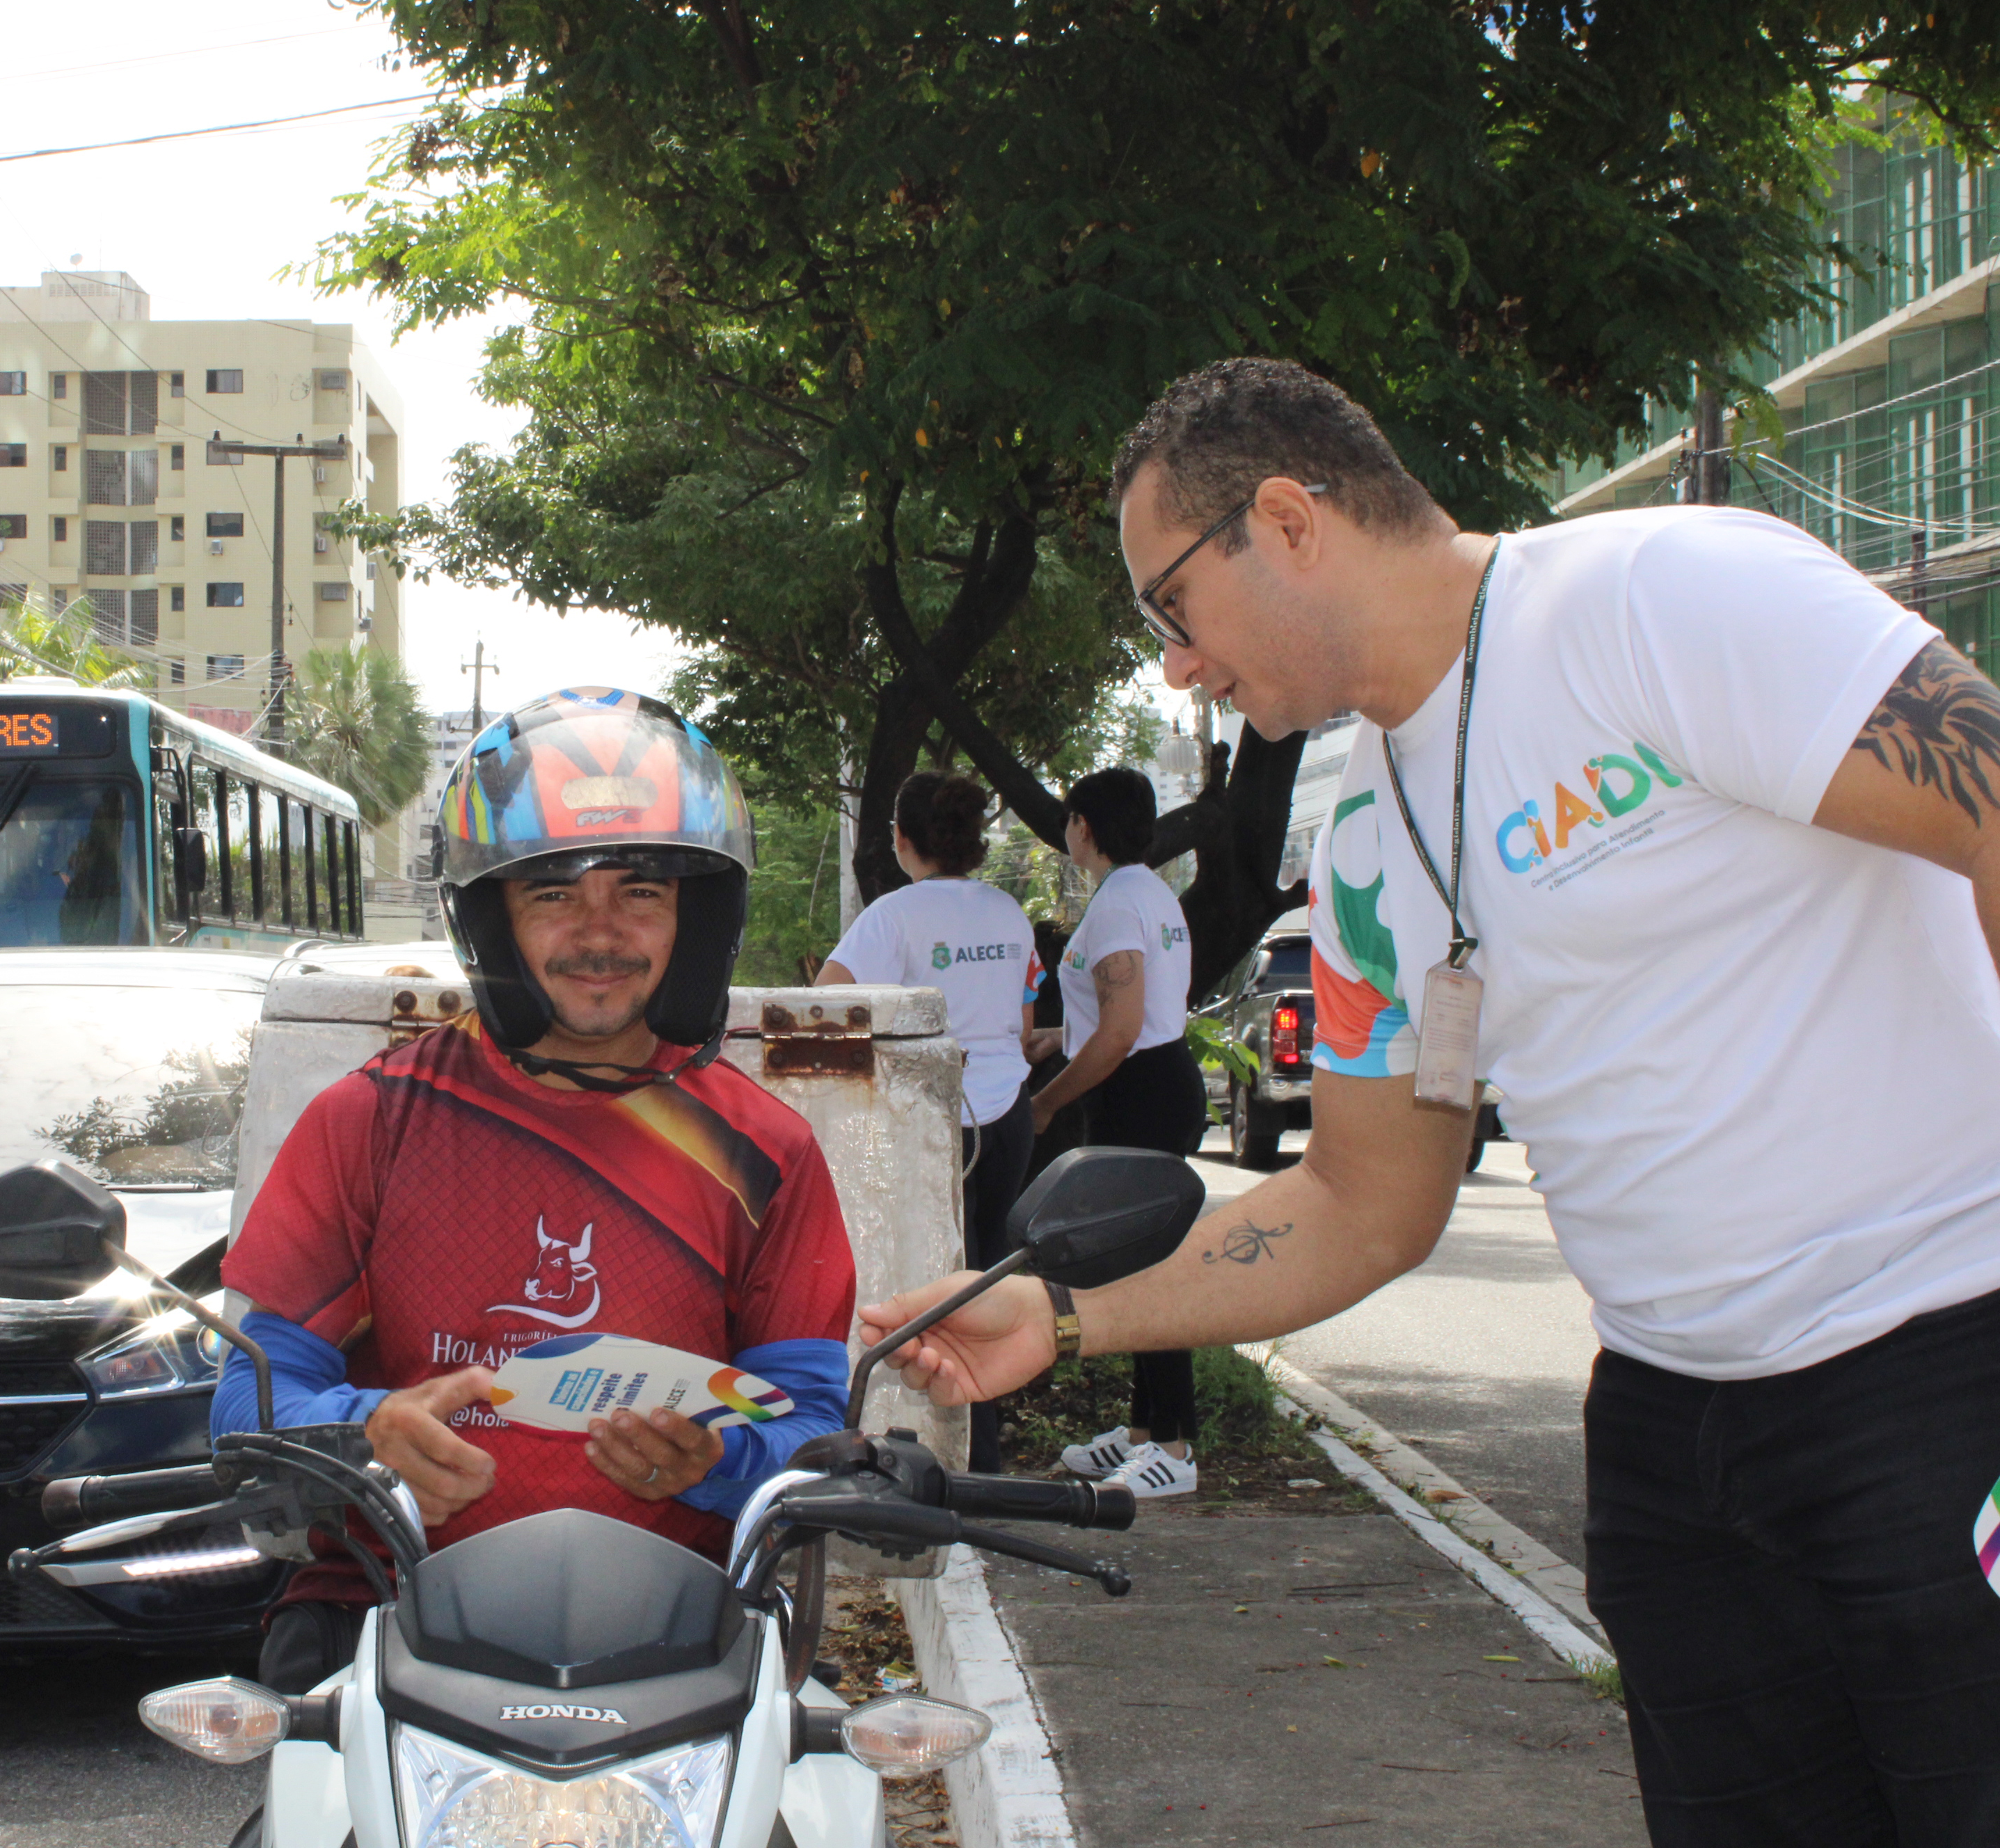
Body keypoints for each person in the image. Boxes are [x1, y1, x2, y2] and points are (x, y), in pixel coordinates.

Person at [854, 356, 2000, 1844]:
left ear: (1287, 516)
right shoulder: (1370, 849)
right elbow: (1360, 1201)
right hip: (1669, 1443)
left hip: (1936, 1370)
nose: (1177, 669)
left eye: (1171, 609)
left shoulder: (1658, 597)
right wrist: (1065, 1318)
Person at [216, 688, 858, 1693]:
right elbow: (248, 1408)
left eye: (641, 892)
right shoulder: (369, 1123)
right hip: (391, 1614)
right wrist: (365, 1431)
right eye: (553, 894)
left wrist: (720, 1462)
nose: (599, 932)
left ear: (695, 916)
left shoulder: (761, 1152)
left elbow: (814, 1421)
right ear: (491, 919)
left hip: (682, 1628)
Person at [814, 767, 1038, 1470]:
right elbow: (1025, 1024)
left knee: (935, 1283)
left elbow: (824, 1003)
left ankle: (947, 1457)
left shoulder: (892, 916)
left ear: (903, 840)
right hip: (1011, 1117)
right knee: (991, 1278)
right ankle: (989, 1455)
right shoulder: (1009, 912)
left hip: (940, 1121)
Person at [1022, 767, 1207, 1499]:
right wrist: (1055, 1041)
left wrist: (1047, 1103)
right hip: (1154, 1082)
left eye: (1070, 818)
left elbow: (1124, 1030)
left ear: (1084, 827)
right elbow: (1127, 1016)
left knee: (1152, 1271)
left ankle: (1175, 1445)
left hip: (1142, 1094)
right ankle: (1142, 1432)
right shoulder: (1147, 893)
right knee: (1135, 1263)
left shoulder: (1117, 905)